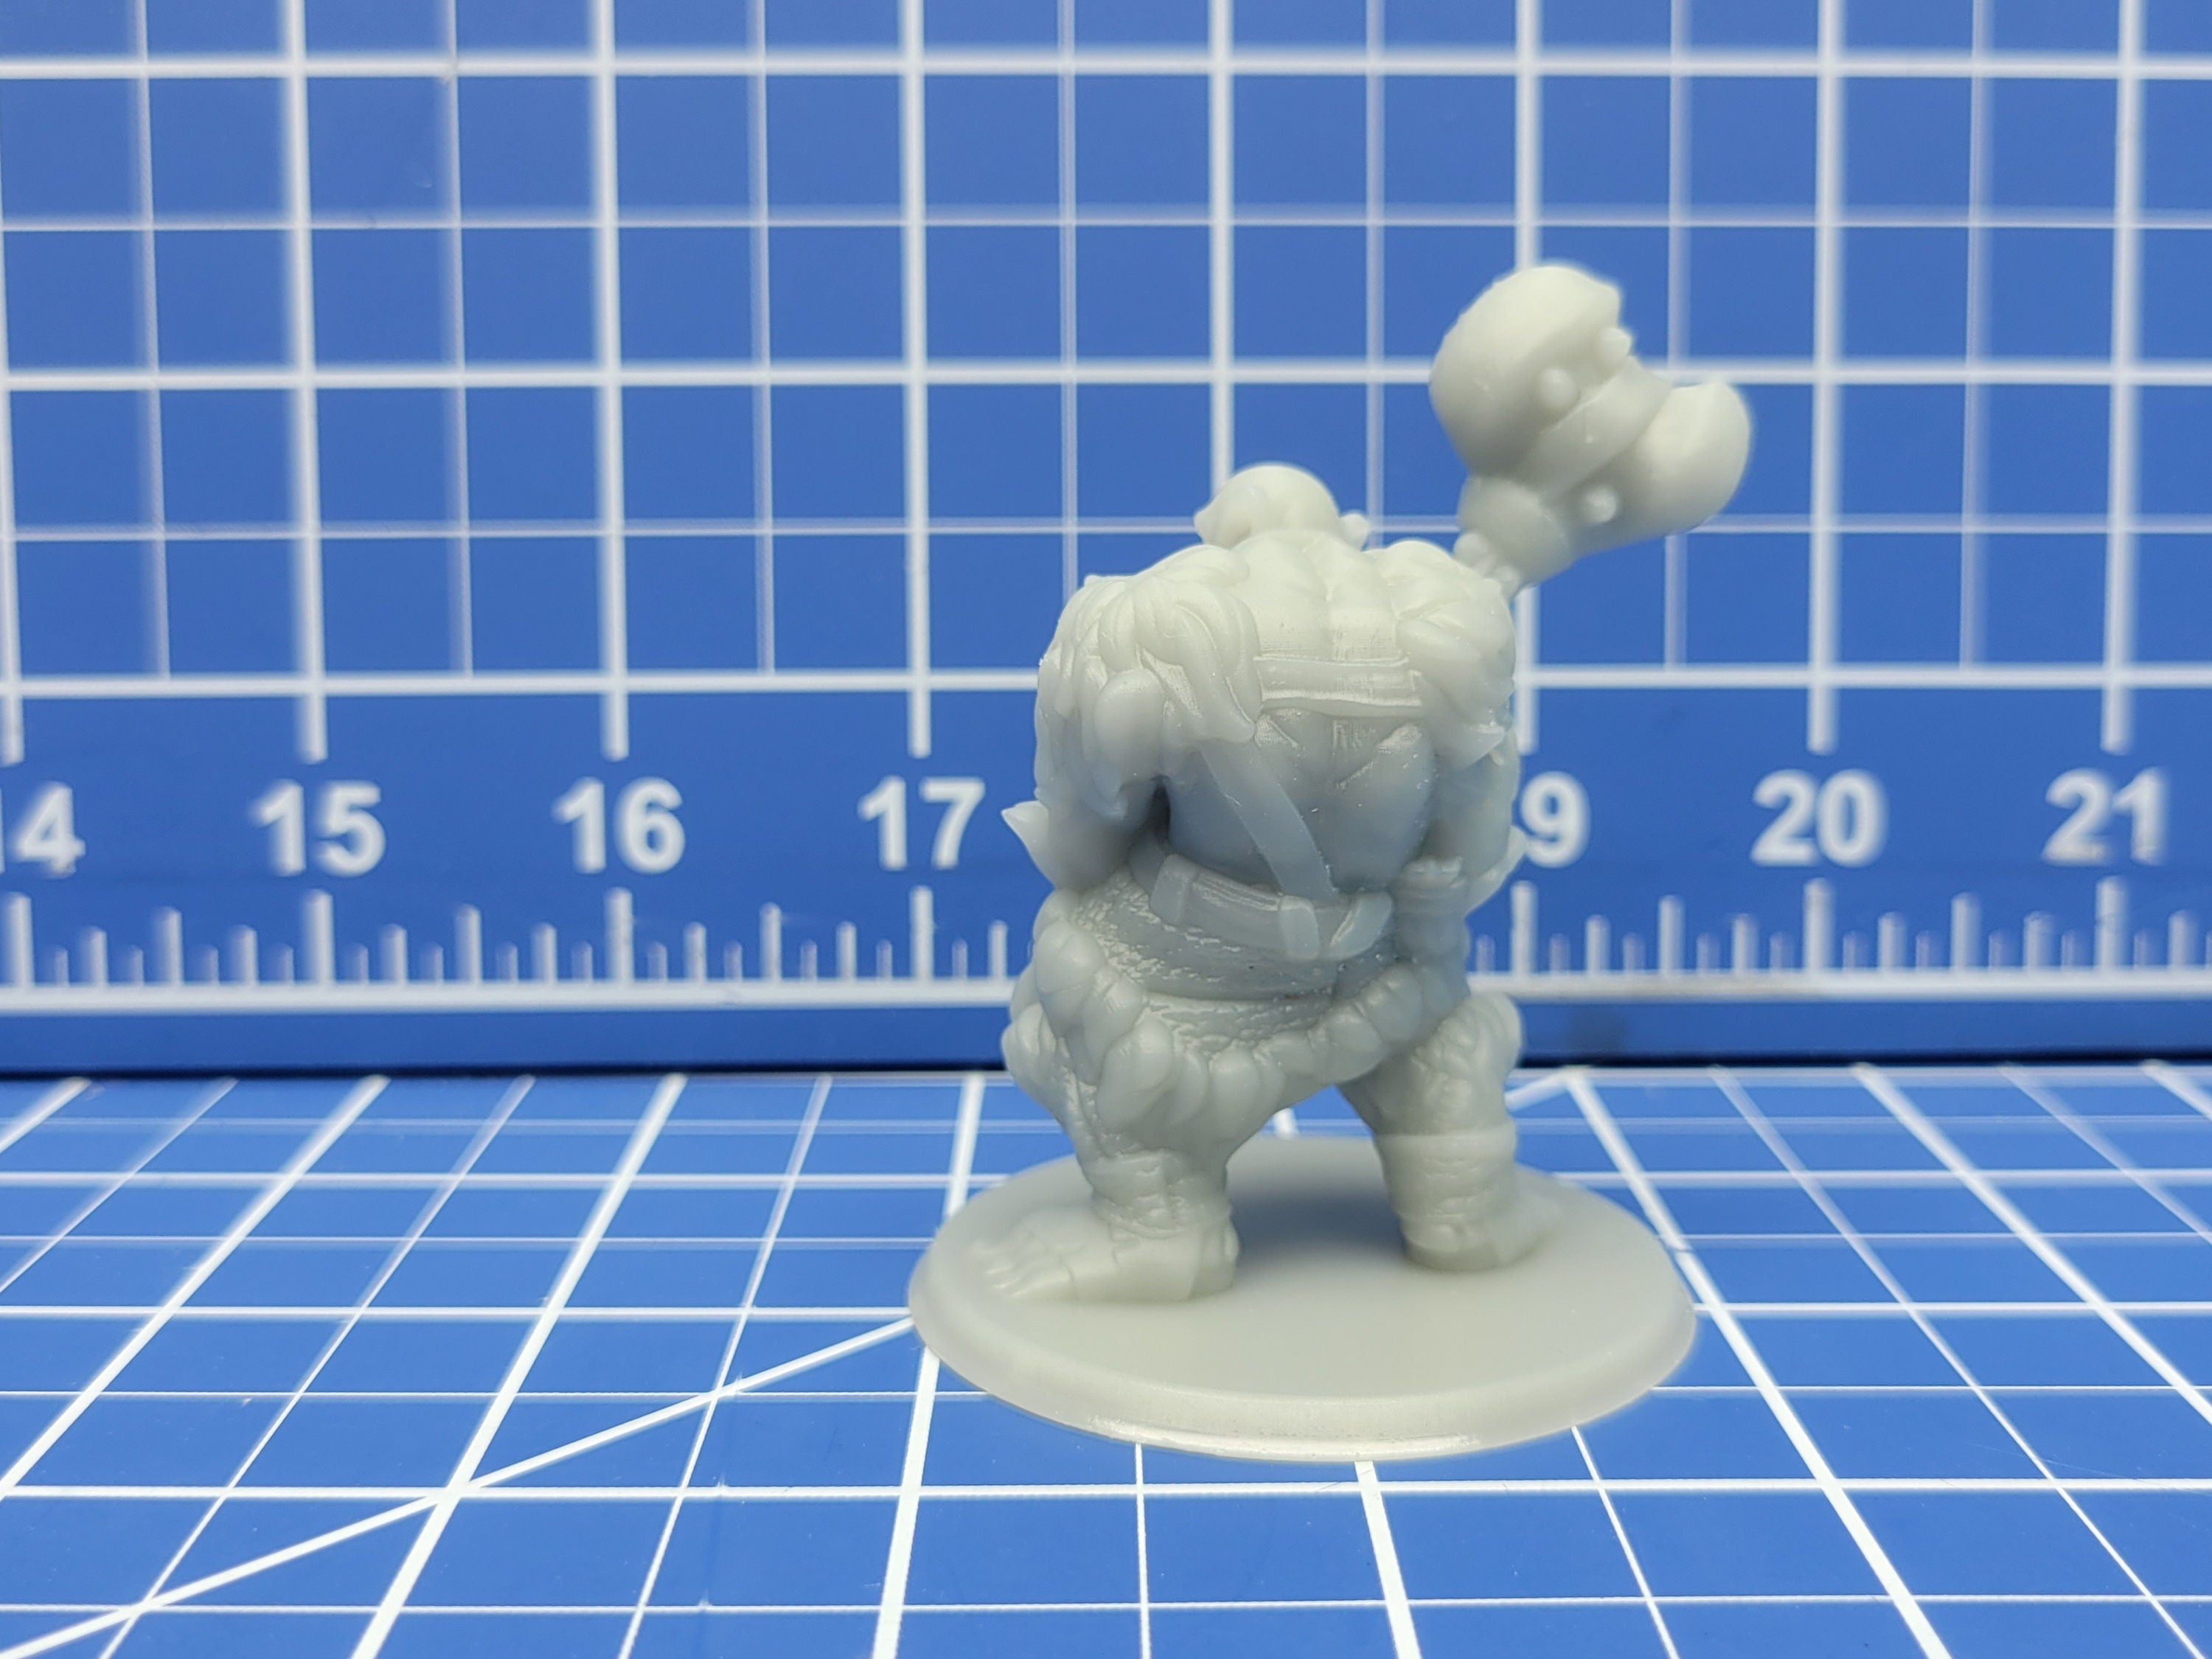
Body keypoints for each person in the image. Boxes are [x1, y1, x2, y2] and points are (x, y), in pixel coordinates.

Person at [989, 263, 1750, 1301]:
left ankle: (1159, 1225)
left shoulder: (1149, 621)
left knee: (1075, 998)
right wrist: (1422, 909)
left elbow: (1089, 823)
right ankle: (1462, 1203)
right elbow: (1470, 835)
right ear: (1342, 527)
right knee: (1434, 1041)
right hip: (1384, 958)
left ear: (1221, 534)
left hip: (1189, 970)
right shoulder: (1447, 613)